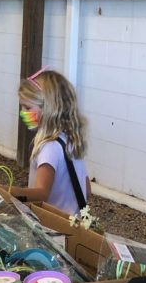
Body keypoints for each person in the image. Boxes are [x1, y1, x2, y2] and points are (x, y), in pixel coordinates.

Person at [9, 68, 91, 216]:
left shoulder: (49, 147)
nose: (22, 112)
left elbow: (41, 193)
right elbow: (87, 189)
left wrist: (7, 191)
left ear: (48, 108)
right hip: (73, 222)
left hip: (53, 227)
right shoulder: (70, 139)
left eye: (27, 107)